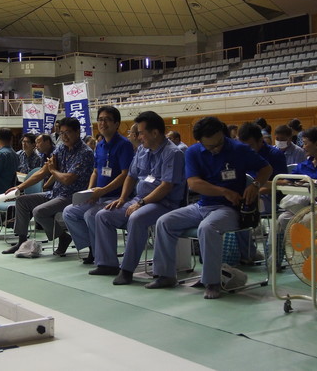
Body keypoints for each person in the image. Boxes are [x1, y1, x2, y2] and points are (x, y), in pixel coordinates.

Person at [146, 116, 272, 299]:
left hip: (230, 209)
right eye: (211, 146)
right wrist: (224, 191)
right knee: (164, 222)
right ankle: (165, 275)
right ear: (200, 142)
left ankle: (212, 282)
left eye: (219, 143)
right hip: (202, 206)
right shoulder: (193, 152)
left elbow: (266, 168)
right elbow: (194, 183)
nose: (216, 148)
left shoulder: (239, 149)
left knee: (207, 228)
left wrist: (255, 185)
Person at [89, 111, 185, 285]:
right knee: (103, 215)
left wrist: (141, 203)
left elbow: (166, 186)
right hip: (139, 199)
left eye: (141, 133)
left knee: (136, 218)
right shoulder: (142, 149)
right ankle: (107, 264)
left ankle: (126, 270)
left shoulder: (173, 153)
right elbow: (131, 176)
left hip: (163, 203)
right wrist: (122, 198)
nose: (138, 137)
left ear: (154, 133)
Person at [2, 117, 94, 255]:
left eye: (68, 132)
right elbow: (43, 172)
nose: (64, 136)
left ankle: (63, 238)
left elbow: (68, 179)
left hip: (72, 196)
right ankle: (22, 241)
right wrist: (20, 187)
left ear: (77, 132)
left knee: (39, 211)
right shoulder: (61, 148)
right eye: (61, 133)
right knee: (22, 201)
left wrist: (53, 171)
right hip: (55, 193)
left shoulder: (85, 153)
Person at [62, 106, 134, 263]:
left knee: (91, 215)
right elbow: (95, 171)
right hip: (98, 196)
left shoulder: (124, 145)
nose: (103, 123)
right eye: (100, 119)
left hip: (117, 197)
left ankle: (103, 257)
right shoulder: (99, 145)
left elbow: (125, 174)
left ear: (117, 124)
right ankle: (93, 248)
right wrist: (89, 192)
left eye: (107, 120)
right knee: (69, 212)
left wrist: (102, 191)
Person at [272, 127, 317, 267]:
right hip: (304, 206)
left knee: (308, 219)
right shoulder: (306, 163)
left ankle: (314, 262)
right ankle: (276, 261)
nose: (303, 147)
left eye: (305, 143)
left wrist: (307, 181)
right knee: (282, 219)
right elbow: (289, 180)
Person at [237, 121, 287, 263]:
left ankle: (252, 254)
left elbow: (283, 182)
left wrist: (259, 189)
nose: (247, 149)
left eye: (250, 145)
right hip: (249, 196)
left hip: (271, 199)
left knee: (243, 210)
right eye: (243, 145)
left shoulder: (275, 154)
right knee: (232, 210)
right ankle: (248, 253)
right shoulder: (241, 154)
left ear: (261, 141)